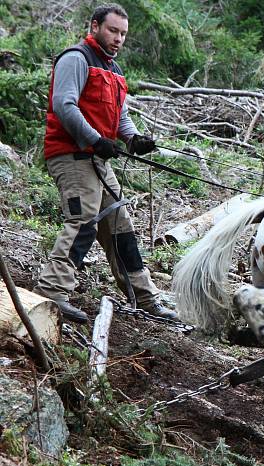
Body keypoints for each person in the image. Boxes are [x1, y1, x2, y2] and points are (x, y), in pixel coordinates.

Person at [35, 3, 176, 323]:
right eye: (113, 30)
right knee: (83, 220)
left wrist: (134, 139)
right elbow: (64, 104)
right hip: (71, 156)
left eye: (123, 33)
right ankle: (53, 291)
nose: (118, 38)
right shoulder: (76, 58)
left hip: (97, 159)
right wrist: (95, 139)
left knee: (120, 226)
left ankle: (144, 298)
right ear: (95, 26)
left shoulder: (113, 70)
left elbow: (120, 116)